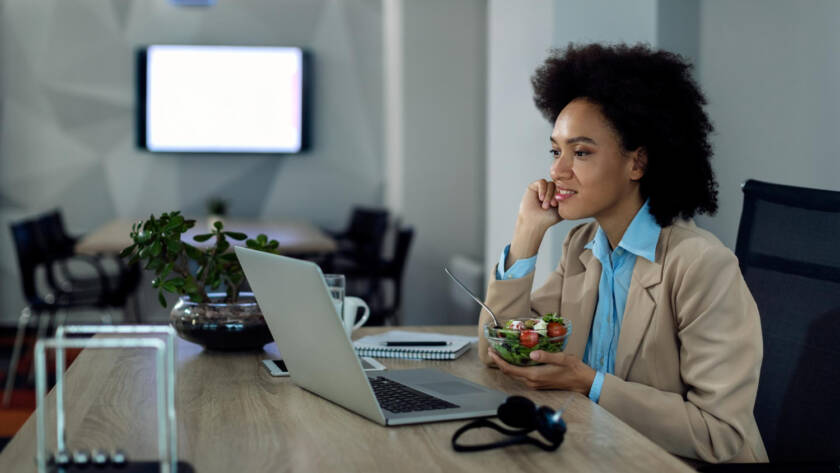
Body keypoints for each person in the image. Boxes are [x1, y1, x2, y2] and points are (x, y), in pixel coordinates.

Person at [477, 43, 768, 464]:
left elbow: (718, 433)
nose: (557, 171)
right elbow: (496, 352)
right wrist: (526, 237)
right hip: (599, 456)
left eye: (581, 152)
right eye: (556, 151)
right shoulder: (581, 248)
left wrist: (590, 383)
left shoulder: (702, 266)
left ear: (638, 163)